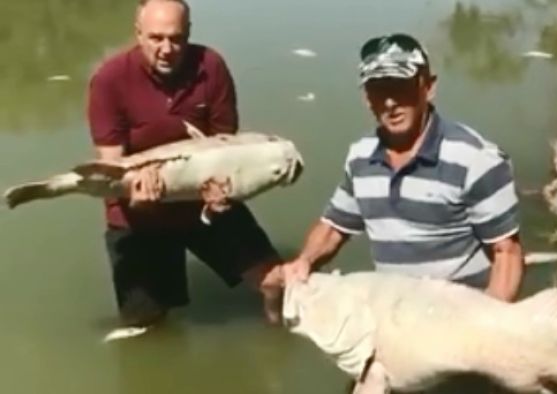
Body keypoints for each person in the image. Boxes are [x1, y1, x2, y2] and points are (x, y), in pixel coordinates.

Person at [87, 0, 284, 330]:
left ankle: (278, 339)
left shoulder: (211, 66)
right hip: (137, 213)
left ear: (189, 33)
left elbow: (227, 148)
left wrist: (224, 192)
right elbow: (112, 170)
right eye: (156, 38)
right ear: (138, 34)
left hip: (203, 199)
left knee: (276, 282)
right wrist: (137, 198)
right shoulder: (109, 79)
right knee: (146, 326)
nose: (167, 49)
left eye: (176, 38)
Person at [283, 33, 525, 301]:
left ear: (429, 87)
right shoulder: (360, 157)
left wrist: (488, 325)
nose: (390, 103)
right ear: (366, 97)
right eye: (379, 89)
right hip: (392, 317)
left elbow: (507, 253)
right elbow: (334, 228)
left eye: (400, 87)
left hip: (460, 317)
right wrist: (304, 261)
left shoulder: (476, 159)